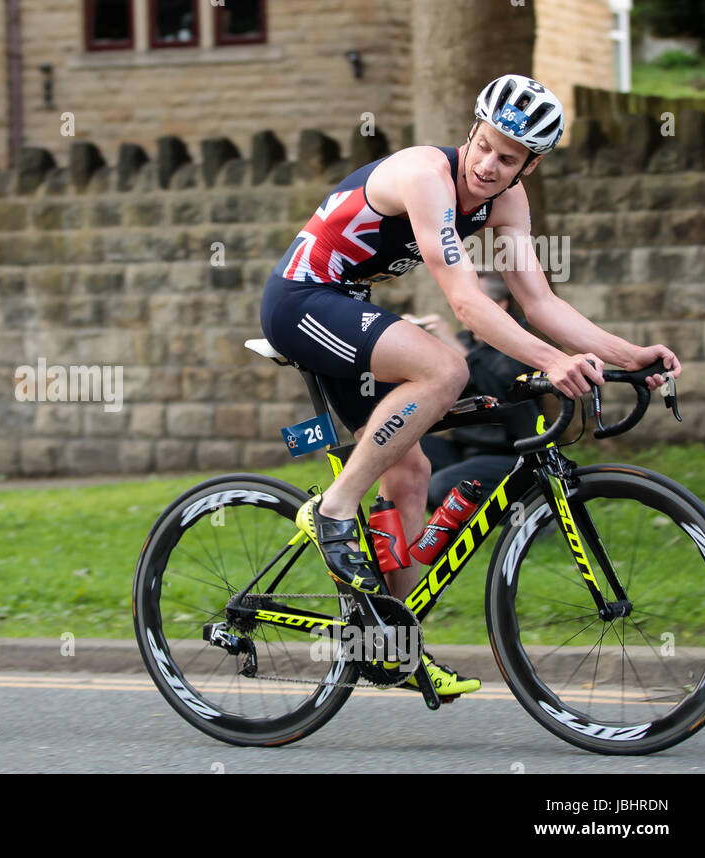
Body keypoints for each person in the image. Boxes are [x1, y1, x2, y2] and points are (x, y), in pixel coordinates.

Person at [259, 74, 680, 696]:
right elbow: (464, 302)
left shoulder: (506, 202)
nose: (488, 163)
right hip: (301, 302)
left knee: (411, 474)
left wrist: (626, 352)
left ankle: (391, 645)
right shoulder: (425, 174)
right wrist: (551, 362)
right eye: (484, 144)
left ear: (528, 166)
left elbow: (536, 300)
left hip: (347, 306)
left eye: (508, 157)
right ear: (470, 133)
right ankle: (334, 509)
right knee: (445, 368)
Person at [411, 272, 540, 508]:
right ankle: (408, 540)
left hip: (511, 452)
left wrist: (458, 350)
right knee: (403, 452)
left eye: (473, 301)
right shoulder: (464, 341)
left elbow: (505, 393)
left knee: (440, 488)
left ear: (501, 304)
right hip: (465, 447)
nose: (462, 308)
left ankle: (532, 510)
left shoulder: (522, 342)